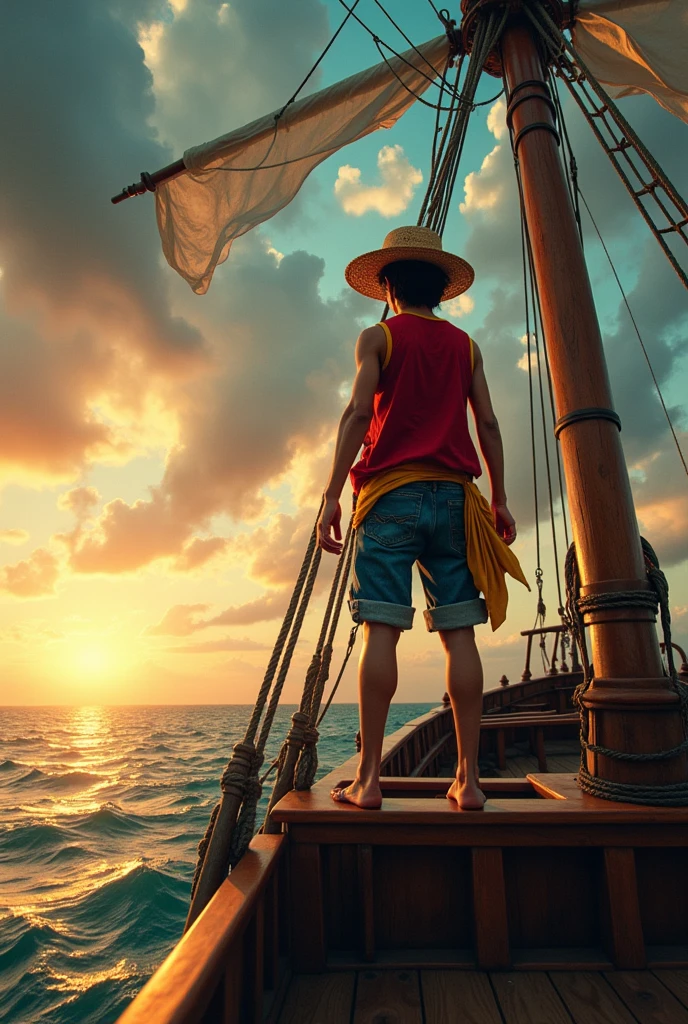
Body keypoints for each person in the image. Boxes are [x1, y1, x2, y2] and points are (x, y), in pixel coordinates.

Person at [317, 226, 528, 811]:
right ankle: (469, 781)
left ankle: (368, 781)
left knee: (379, 630)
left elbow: (359, 413)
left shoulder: (377, 337)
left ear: (386, 287)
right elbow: (487, 423)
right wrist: (501, 496)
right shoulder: (466, 346)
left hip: (389, 496)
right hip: (457, 500)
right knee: (460, 636)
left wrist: (332, 493)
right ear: (440, 289)